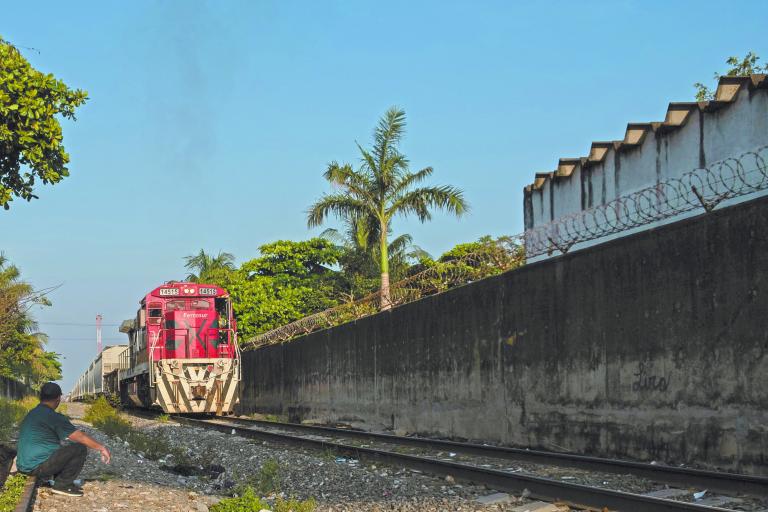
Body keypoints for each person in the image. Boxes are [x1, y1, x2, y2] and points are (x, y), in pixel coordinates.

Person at [16, 382, 111, 497]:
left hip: (23, 466)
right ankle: (62, 485)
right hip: (36, 467)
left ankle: (58, 480)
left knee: (62, 446)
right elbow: (80, 437)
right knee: (79, 448)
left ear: (41, 397)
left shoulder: (33, 413)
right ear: (58, 398)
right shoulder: (53, 416)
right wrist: (101, 448)